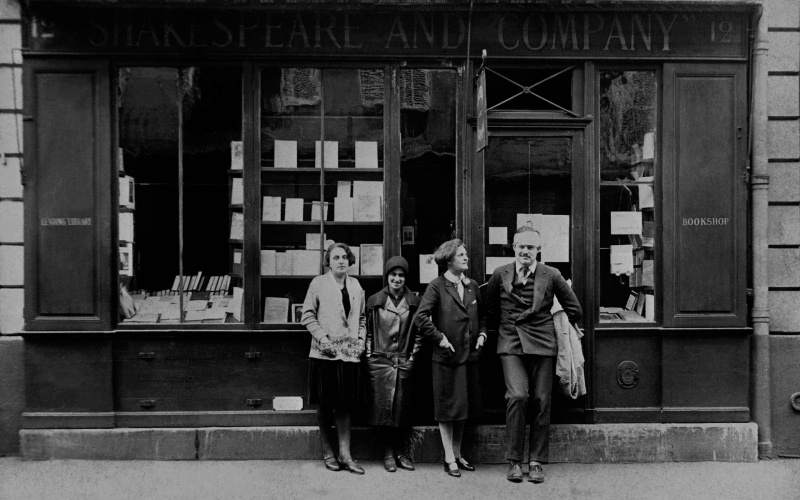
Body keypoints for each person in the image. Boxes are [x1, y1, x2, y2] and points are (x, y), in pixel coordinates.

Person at [485, 227, 583, 484]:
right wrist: (507, 327)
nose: (525, 251)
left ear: (539, 250)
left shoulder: (551, 275)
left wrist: (559, 330)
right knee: (517, 396)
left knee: (541, 400)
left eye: (531, 247)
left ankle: (536, 461)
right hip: (511, 343)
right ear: (514, 247)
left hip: (542, 343)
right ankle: (515, 461)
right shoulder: (500, 274)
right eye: (521, 246)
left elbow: (574, 309)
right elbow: (490, 309)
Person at [414, 239, 486, 478]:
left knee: (462, 408)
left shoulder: (472, 285)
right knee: (447, 409)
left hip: (469, 358)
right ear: (449, 260)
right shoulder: (436, 286)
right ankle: (447, 457)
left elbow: (482, 316)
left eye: (465, 254)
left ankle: (457, 454)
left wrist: (483, 334)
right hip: (446, 358)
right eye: (461, 255)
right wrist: (441, 339)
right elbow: (421, 318)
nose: (466, 258)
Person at [301, 242, 367, 475]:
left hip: (349, 355)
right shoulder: (318, 284)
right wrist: (323, 339)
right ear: (328, 262)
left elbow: (361, 319)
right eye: (336, 257)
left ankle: (346, 456)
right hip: (324, 354)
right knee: (326, 404)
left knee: (345, 405)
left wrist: (360, 341)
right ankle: (328, 452)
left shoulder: (356, 286)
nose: (341, 261)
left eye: (344, 257)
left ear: (350, 261)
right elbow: (307, 315)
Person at [364, 256, 422, 473]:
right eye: (393, 275)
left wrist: (413, 358)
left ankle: (400, 452)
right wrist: (370, 356)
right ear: (387, 277)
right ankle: (388, 453)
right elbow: (368, 331)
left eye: (401, 276)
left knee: (401, 411)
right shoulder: (374, 301)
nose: (396, 279)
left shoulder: (415, 302)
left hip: (404, 361)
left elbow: (419, 334)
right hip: (380, 362)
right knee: (383, 411)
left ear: (405, 278)